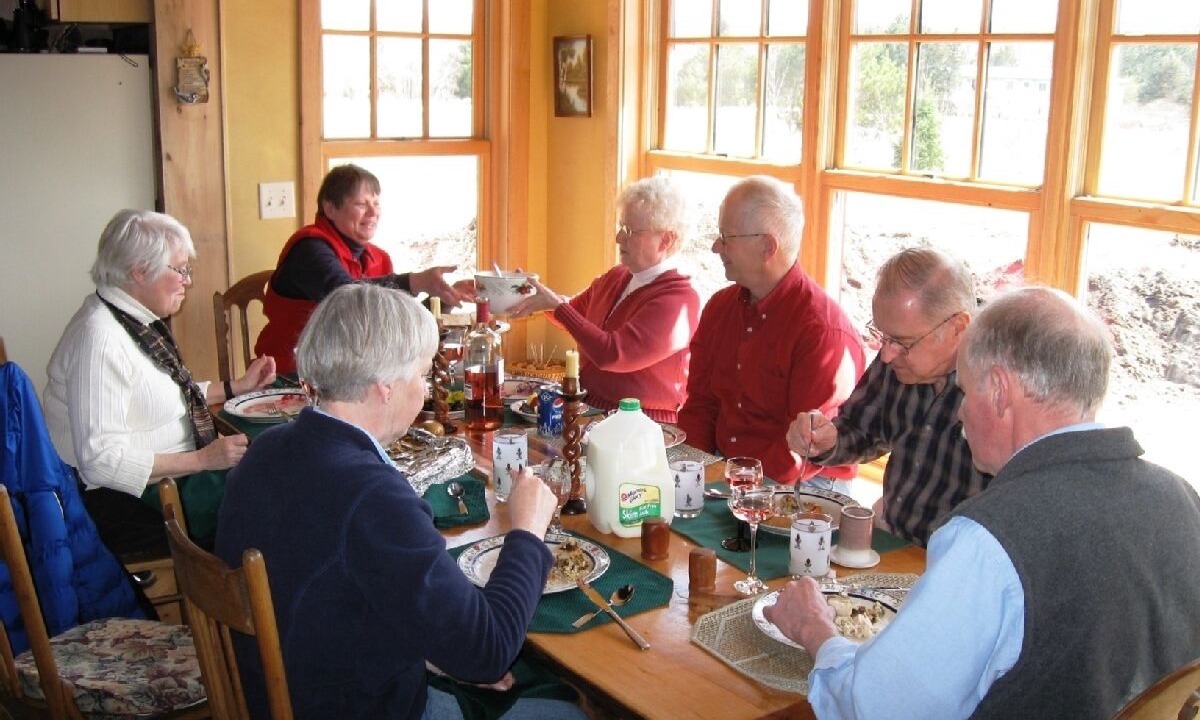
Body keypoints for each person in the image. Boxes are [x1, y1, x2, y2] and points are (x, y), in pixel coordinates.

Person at [765, 286, 1200, 720]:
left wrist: (815, 630)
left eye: (967, 391)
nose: (958, 414)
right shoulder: (1181, 499)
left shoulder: (989, 538)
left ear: (999, 390)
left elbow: (877, 707)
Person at [217, 284, 588, 720]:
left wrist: (439, 655)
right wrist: (527, 530)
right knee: (569, 712)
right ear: (386, 386)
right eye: (424, 373)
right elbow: (489, 651)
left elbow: (332, 594)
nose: (428, 387)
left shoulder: (271, 447)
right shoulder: (370, 495)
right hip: (352, 707)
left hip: (290, 683)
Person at [44, 209, 277, 557]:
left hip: (164, 485)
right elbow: (100, 461)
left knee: (275, 465)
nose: (188, 280)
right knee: (276, 496)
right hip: (124, 506)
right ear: (140, 271)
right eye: (180, 270)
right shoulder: (100, 338)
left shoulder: (129, 320)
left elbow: (161, 394)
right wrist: (202, 460)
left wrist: (236, 387)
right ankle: (245, 599)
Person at [785, 247, 990, 545]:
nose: (886, 354)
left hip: (960, 566)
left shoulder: (998, 390)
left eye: (902, 342)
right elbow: (862, 430)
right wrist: (827, 440)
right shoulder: (898, 361)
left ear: (958, 328)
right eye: (882, 335)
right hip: (890, 545)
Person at [676, 176, 865, 484]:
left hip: (806, 481)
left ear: (767, 246)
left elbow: (798, 453)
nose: (715, 247)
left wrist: (727, 485)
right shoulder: (720, 308)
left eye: (726, 237)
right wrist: (690, 473)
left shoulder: (822, 333)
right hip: (728, 468)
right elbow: (700, 405)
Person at [507, 176, 701, 421]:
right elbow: (575, 313)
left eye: (630, 231)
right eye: (620, 227)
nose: (619, 238)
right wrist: (539, 298)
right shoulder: (618, 276)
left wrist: (556, 306)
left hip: (644, 424)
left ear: (666, 240)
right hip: (592, 411)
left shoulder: (679, 300)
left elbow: (613, 354)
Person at [255, 163, 475, 374]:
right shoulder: (309, 249)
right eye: (361, 204)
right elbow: (347, 296)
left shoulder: (379, 258)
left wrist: (445, 297)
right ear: (330, 208)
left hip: (352, 376)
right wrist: (415, 281)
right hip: (293, 375)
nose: (373, 213)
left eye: (376, 204)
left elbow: (398, 324)